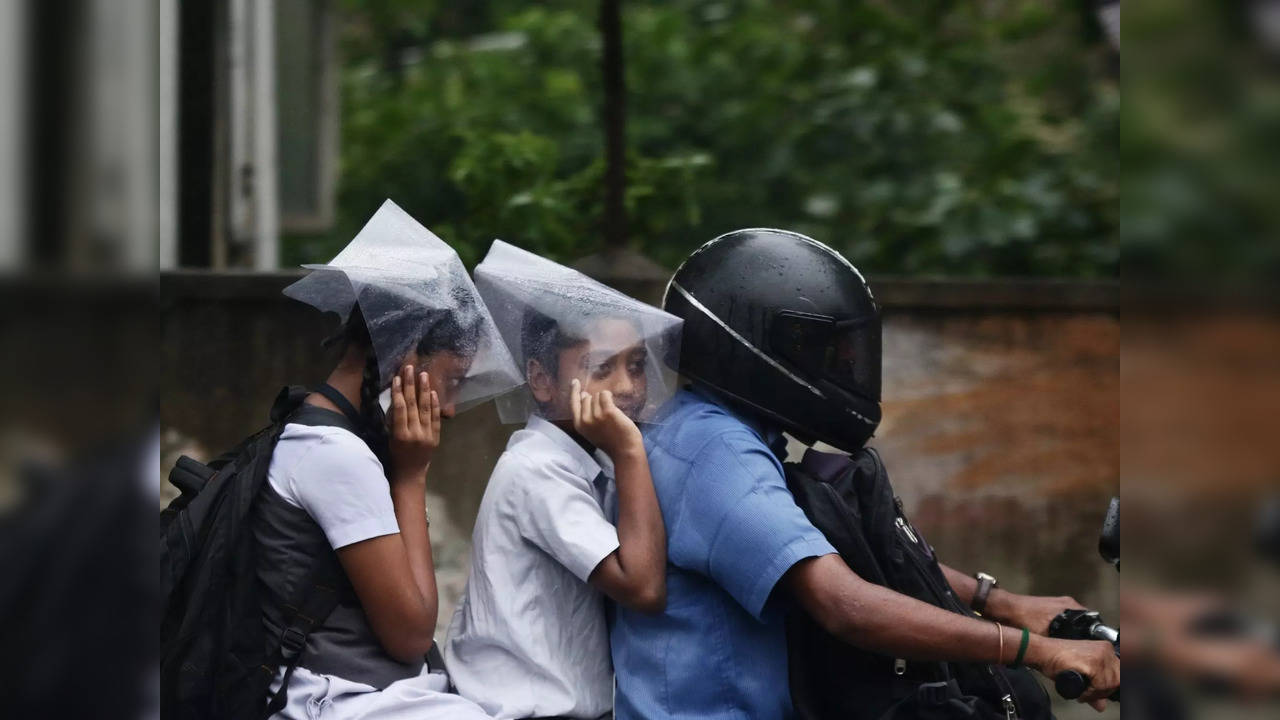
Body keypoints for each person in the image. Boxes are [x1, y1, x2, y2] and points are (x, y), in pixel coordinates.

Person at [608, 228, 1122, 719]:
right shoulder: (716, 453)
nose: (843, 368)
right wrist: (1034, 650)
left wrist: (1004, 603)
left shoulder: (709, 428)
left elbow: (839, 554)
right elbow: (845, 603)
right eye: (825, 352)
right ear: (754, 350)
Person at [260, 200, 521, 719]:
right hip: (331, 701)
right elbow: (412, 633)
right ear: (404, 357)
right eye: (451, 382)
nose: (449, 409)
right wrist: (411, 475)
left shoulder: (320, 432)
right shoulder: (335, 455)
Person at [444, 240, 682, 719]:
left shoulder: (594, 461)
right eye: (601, 368)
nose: (627, 387)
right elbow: (644, 588)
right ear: (541, 380)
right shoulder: (537, 469)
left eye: (636, 366)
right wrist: (631, 451)